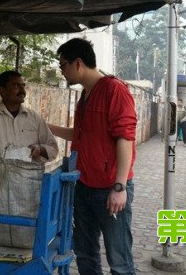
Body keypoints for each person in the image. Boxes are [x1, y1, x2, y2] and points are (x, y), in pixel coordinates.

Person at [48, 38, 137, 275]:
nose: (62, 71)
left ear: (78, 63)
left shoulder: (114, 90)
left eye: (63, 65)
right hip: (84, 186)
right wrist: (46, 127)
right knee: (86, 255)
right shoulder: (85, 96)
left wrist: (120, 186)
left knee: (119, 259)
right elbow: (79, 135)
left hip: (109, 189)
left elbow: (125, 138)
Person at [0, 70, 58, 164]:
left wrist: (40, 149)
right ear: (2, 91)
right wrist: (7, 169)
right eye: (16, 86)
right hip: (2, 176)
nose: (22, 91)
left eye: (23, 86)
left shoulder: (34, 118)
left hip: (30, 177)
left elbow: (53, 149)